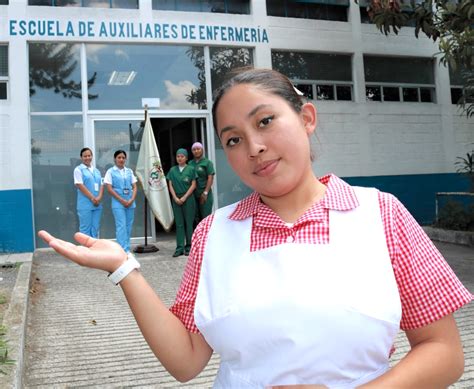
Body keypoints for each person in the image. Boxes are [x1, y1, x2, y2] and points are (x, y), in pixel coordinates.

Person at [38, 68, 472, 388]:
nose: (254, 148)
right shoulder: (215, 233)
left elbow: (444, 352)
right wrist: (125, 269)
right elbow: (187, 360)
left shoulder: (381, 214)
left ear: (306, 118)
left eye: (265, 122)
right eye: (233, 139)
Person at [104, 150, 137, 253]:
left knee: (128, 226)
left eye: (123, 158)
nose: (121, 160)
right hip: (118, 203)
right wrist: (122, 200)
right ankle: (121, 250)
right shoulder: (110, 171)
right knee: (121, 226)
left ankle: (127, 249)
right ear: (115, 159)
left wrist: (131, 199)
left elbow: (135, 187)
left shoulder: (129, 171)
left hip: (130, 202)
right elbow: (109, 188)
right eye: (119, 157)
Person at [166, 148, 197, 257]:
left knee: (189, 223)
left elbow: (193, 185)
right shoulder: (172, 170)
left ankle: (189, 246)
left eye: (182, 156)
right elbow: (170, 184)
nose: (179, 158)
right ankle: (179, 248)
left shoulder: (191, 169)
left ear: (186, 158)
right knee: (179, 224)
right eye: (178, 156)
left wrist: (184, 197)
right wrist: (174, 197)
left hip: (188, 198)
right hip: (176, 199)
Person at [73, 147, 104, 238]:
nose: (87, 158)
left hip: (97, 204)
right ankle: (85, 251)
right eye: (85, 156)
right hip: (85, 205)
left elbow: (101, 185)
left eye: (89, 155)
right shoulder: (78, 170)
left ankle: (93, 251)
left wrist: (99, 198)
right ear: (81, 157)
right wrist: (92, 198)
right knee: (85, 230)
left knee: (95, 229)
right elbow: (79, 185)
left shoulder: (97, 171)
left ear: (92, 156)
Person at [189, 142, 215, 223]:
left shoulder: (207, 163)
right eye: (194, 149)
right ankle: (197, 235)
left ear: (202, 150)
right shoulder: (190, 163)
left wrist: (205, 193)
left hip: (204, 194)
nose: (196, 151)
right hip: (193, 194)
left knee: (205, 218)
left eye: (198, 149)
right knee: (195, 218)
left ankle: (207, 235)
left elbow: (210, 177)